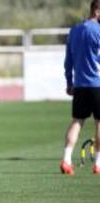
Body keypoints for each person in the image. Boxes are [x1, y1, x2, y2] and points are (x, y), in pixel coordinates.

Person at [61, 0, 100, 176]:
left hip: (80, 84)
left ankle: (67, 159)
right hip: (98, 84)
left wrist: (69, 82)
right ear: (97, 11)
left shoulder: (75, 30)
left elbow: (68, 59)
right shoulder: (98, 31)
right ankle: (98, 163)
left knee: (77, 121)